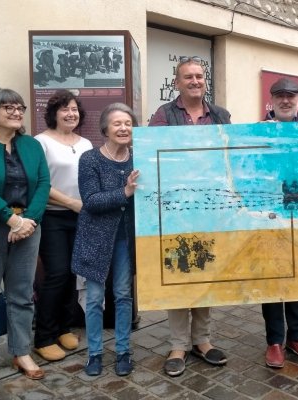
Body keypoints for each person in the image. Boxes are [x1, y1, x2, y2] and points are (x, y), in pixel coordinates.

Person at [149, 56, 230, 377]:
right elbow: (154, 157)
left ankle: (203, 340)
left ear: (204, 80)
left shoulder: (221, 115)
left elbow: (228, 158)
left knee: (205, 270)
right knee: (180, 271)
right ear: (177, 83)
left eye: (199, 76)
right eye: (188, 77)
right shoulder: (163, 115)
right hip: (177, 209)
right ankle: (179, 343)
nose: (195, 81)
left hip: (211, 208)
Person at [0, 88, 51, 386]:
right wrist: (10, 219)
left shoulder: (31, 145)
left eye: (19, 107)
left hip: (28, 228)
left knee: (22, 295)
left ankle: (21, 351)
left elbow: (43, 184)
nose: (16, 112)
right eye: (8, 107)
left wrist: (28, 221)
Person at [258, 77, 298, 369]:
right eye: (280, 96)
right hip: (269, 212)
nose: (286, 100)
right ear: (271, 100)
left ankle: (297, 336)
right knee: (271, 277)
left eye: (291, 96)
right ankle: (274, 340)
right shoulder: (259, 129)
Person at [72, 103, 139, 377]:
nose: (123, 128)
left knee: (123, 295)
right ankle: (95, 354)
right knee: (94, 298)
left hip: (126, 237)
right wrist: (125, 191)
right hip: (95, 237)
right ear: (105, 129)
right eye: (117, 124)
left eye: (128, 123)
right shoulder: (90, 159)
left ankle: (124, 351)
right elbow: (91, 201)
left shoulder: (139, 157)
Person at [33, 90, 93, 362]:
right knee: (56, 273)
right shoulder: (40, 142)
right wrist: (71, 202)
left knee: (72, 272)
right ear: (53, 113)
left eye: (74, 109)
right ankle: (43, 337)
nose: (71, 113)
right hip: (53, 216)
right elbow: (38, 184)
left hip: (82, 216)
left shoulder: (86, 143)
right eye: (64, 109)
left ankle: (63, 328)